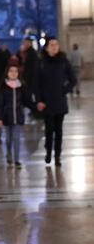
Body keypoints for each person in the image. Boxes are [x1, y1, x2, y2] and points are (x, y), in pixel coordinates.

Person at [36, 37, 77, 166]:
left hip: (59, 100)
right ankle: (48, 151)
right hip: (46, 101)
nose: (54, 47)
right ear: (47, 47)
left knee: (58, 130)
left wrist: (64, 90)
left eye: (56, 44)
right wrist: (39, 100)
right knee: (49, 129)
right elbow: (37, 84)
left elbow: (73, 79)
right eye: (52, 45)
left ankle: (57, 155)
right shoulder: (41, 62)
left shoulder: (63, 61)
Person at [0, 63, 32, 168]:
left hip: (18, 116)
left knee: (17, 138)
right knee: (8, 138)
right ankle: (8, 154)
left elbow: (26, 101)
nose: (13, 73)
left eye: (15, 71)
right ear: (7, 73)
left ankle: (17, 160)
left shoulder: (22, 86)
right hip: (6, 117)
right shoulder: (3, 86)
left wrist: (35, 107)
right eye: (11, 71)